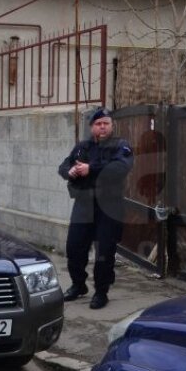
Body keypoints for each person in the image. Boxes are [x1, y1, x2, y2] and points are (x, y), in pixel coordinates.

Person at [58, 107, 134, 309]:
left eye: (106, 123)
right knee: (74, 248)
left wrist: (90, 169)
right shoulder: (82, 147)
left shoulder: (121, 146)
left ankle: (101, 292)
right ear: (92, 126)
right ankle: (78, 285)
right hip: (83, 205)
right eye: (98, 124)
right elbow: (63, 167)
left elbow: (120, 168)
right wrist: (71, 171)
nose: (102, 127)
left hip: (109, 207)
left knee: (104, 252)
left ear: (111, 125)